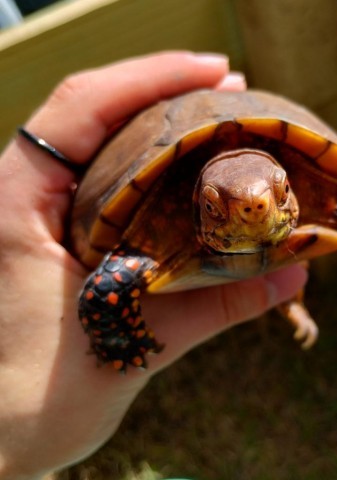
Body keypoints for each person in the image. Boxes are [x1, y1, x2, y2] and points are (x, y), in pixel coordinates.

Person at [0, 51, 307, 479]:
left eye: (276, 192)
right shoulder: (154, 226)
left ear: (288, 185)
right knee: (111, 286)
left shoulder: (309, 191)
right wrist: (119, 344)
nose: (255, 207)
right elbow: (101, 292)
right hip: (165, 236)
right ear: (200, 205)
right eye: (219, 208)